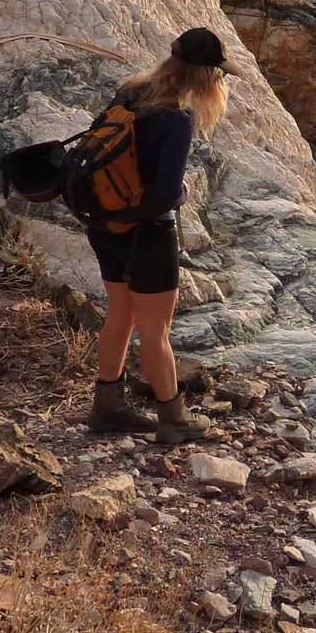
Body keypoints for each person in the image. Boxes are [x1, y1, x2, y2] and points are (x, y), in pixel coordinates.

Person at [84, 27, 241, 443]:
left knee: (120, 313)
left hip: (105, 222)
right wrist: (182, 193)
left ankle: (107, 407)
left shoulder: (129, 93)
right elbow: (165, 194)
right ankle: (173, 420)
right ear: (206, 75)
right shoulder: (175, 120)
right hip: (148, 232)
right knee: (156, 331)